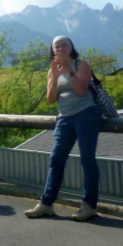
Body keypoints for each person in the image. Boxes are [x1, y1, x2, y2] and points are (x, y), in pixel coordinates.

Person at [25, 36, 102, 222]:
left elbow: (81, 90)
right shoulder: (52, 70)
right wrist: (54, 76)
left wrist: (69, 71)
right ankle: (46, 204)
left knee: (87, 159)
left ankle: (89, 205)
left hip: (86, 114)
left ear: (71, 48)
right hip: (64, 117)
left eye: (64, 45)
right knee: (56, 159)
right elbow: (51, 99)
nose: (60, 48)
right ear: (52, 51)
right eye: (56, 46)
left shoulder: (81, 64)